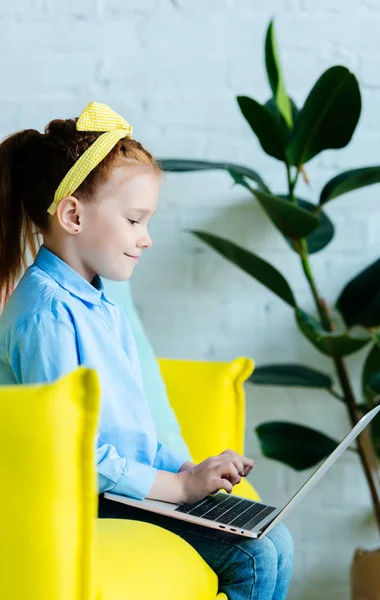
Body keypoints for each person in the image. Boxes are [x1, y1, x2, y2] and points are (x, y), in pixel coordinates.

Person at [0, 101, 294, 599]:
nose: (147, 238)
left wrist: (187, 471)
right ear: (72, 214)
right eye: (135, 220)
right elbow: (75, 459)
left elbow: (131, 425)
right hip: (87, 496)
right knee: (255, 555)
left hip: (121, 487)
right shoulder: (46, 313)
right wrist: (178, 491)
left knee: (275, 536)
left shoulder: (99, 303)